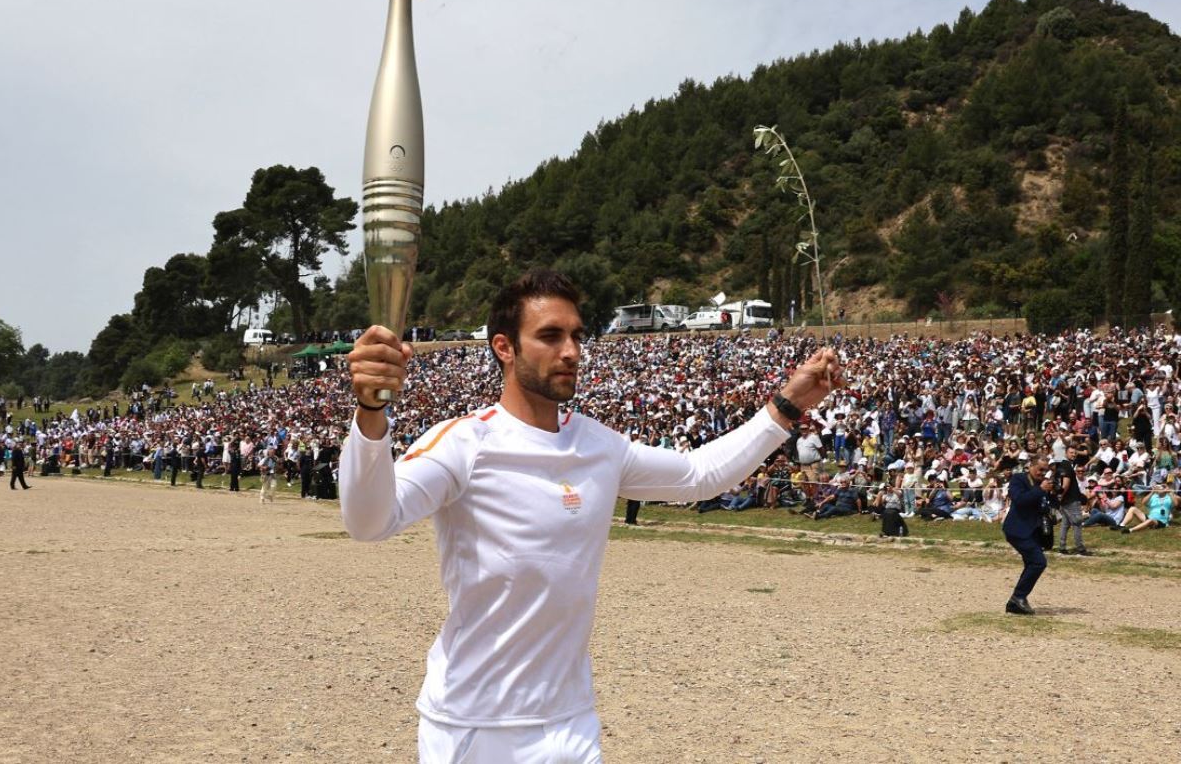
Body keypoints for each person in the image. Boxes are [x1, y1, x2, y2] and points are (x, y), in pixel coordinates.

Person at [339, 269, 845, 763]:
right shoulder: (465, 444)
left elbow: (699, 474)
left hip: (571, 720)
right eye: (550, 336)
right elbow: (370, 521)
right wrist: (370, 411)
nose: (571, 352)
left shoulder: (598, 445)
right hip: (476, 727)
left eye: (577, 336)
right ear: (504, 348)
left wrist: (787, 404)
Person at [1001, 456, 1055, 615]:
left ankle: (1016, 601)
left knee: (1032, 563)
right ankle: (1018, 597)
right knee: (1039, 562)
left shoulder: (1041, 485)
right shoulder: (1018, 479)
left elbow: (1044, 504)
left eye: (1045, 470)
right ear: (1030, 466)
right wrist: (1040, 490)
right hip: (1017, 530)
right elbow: (1019, 500)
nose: (1042, 473)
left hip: (1034, 532)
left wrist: (1051, 495)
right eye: (1040, 469)